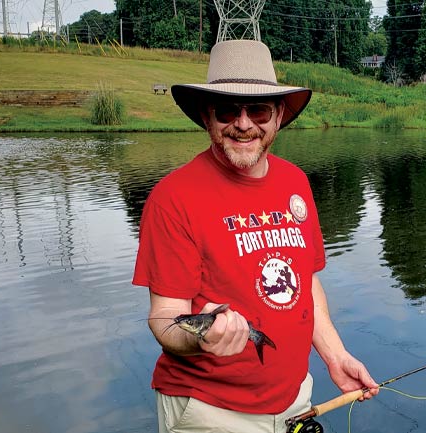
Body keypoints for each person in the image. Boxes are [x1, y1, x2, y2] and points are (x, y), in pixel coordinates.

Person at [133, 39, 379, 433]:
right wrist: (201, 339)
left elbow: (305, 283)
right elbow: (164, 319)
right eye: (228, 109)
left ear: (279, 115)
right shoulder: (173, 198)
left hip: (297, 398)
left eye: (259, 109)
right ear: (207, 116)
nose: (244, 124)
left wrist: (335, 355)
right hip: (210, 411)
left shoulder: (296, 182)